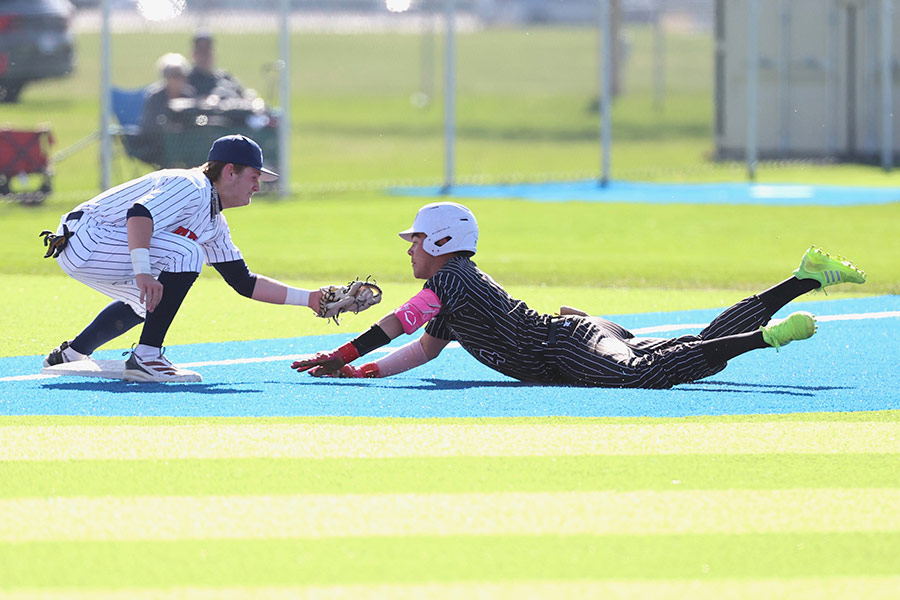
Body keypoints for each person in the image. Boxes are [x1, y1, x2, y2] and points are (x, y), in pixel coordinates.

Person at [291, 202, 867, 388]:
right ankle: (805, 277)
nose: (410, 249)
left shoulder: (449, 281)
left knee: (645, 376)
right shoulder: (453, 287)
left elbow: (397, 324)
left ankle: (766, 338)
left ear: (442, 241)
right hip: (570, 342)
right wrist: (362, 373)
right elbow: (422, 349)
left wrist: (342, 354)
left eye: (417, 239)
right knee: (687, 349)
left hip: (566, 347)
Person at [40, 135, 341, 383]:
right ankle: (147, 356)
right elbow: (139, 213)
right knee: (186, 253)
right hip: (88, 237)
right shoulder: (192, 184)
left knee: (151, 303)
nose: (257, 186)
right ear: (230, 172)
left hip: (92, 249)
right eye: (254, 176)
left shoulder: (214, 222)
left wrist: (311, 299)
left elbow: (243, 282)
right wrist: (143, 273)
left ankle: (71, 354)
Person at [135, 53, 197, 165]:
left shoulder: (189, 95)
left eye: (180, 75)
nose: (177, 79)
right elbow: (148, 124)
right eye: (172, 75)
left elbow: (193, 121)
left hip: (184, 144)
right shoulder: (155, 96)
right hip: (157, 145)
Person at [187, 32, 246, 100]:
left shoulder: (225, 78)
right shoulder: (186, 80)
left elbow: (244, 96)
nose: (204, 55)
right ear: (193, 53)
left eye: (207, 50)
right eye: (200, 50)